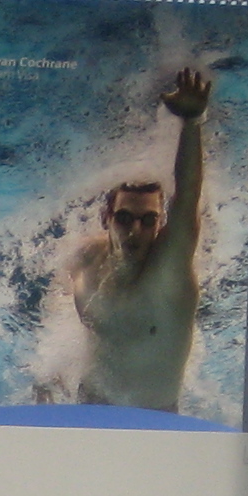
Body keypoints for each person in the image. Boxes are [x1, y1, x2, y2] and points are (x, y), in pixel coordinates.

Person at [65, 66, 212, 410]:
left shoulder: (168, 273)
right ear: (106, 218)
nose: (135, 231)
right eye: (124, 218)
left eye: (149, 221)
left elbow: (187, 198)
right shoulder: (86, 258)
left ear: (161, 224)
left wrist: (192, 123)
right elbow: (60, 321)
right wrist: (48, 373)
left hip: (153, 420)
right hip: (89, 406)